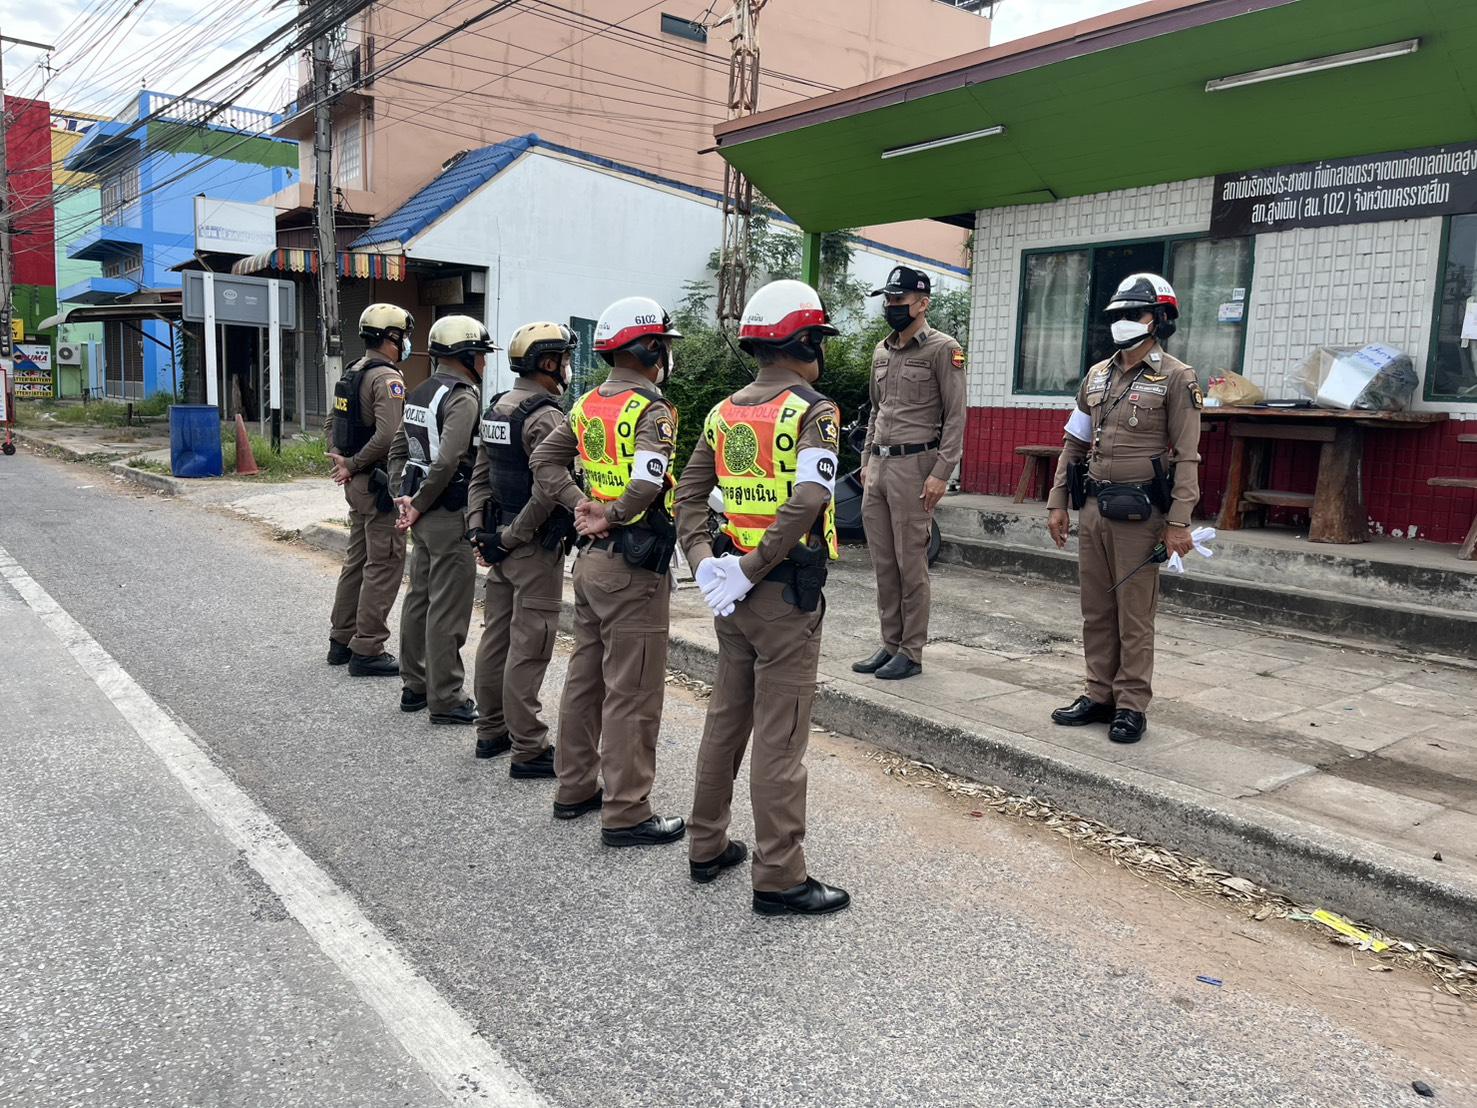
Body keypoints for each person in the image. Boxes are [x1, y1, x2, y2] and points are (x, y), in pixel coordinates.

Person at [674, 279, 850, 917]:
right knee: (782, 737)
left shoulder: (723, 412)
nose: (821, 351)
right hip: (782, 594)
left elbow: (688, 496)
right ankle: (779, 877)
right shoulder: (814, 411)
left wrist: (707, 567)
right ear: (802, 342)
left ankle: (705, 845)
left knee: (726, 720)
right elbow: (810, 499)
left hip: (733, 596)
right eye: (818, 339)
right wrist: (747, 569)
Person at [529, 296, 685, 847]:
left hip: (592, 562)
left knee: (586, 678)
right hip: (632, 567)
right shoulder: (652, 408)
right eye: (662, 344)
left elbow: (544, 461)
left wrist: (583, 506)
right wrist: (609, 513)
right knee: (633, 692)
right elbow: (647, 482)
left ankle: (574, 787)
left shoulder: (587, 404)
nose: (666, 354)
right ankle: (626, 812)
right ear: (648, 348)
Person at [1045, 273, 1203, 744]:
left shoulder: (1177, 377)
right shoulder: (1096, 375)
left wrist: (1178, 522)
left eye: (1134, 313)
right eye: (1118, 314)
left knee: (1134, 615)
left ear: (1160, 319)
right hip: (1094, 506)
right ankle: (1099, 694)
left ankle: (1131, 704)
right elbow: (1074, 444)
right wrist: (1058, 501)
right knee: (1096, 609)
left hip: (1141, 513)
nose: (1123, 322)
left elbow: (1188, 456)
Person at [465, 322, 579, 775]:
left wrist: (480, 532)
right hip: (531, 546)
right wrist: (510, 538)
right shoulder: (546, 416)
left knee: (496, 638)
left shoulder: (497, 407)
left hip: (500, 540)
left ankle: (490, 730)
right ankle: (529, 748)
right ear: (548, 363)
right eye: (564, 359)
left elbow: (479, 475)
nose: (567, 367)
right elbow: (548, 491)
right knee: (529, 647)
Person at [852, 265, 966, 682]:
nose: (892, 306)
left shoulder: (943, 349)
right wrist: (866, 459)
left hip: (916, 467)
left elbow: (956, 417)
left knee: (910, 564)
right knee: (883, 562)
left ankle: (911, 652)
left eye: (899, 300)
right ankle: (889, 643)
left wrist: (941, 473)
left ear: (923, 304)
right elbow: (875, 410)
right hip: (879, 466)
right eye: (888, 300)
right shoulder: (881, 351)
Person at [388, 315, 495, 726]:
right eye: (480, 354)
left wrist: (404, 496)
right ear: (465, 355)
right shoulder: (463, 397)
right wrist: (417, 502)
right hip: (449, 514)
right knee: (448, 608)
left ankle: (414, 684)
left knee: (420, 598)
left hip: (422, 513)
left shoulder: (420, 391)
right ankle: (447, 697)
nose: (484, 362)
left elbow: (399, 449)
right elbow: (450, 459)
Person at [325, 304, 413, 676]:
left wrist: (342, 461)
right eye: (404, 336)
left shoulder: (353, 371)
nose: (406, 343)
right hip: (377, 485)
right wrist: (355, 463)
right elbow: (390, 435)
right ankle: (368, 648)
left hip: (356, 485)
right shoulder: (387, 379)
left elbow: (331, 423)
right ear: (391, 337)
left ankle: (341, 640)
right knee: (384, 564)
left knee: (356, 562)